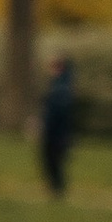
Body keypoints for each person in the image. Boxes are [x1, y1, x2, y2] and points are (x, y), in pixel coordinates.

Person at [38, 52, 78, 199]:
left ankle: (57, 191)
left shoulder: (61, 88)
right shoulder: (61, 85)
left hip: (56, 134)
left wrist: (45, 126)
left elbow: (56, 112)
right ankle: (56, 190)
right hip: (59, 133)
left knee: (53, 162)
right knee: (54, 162)